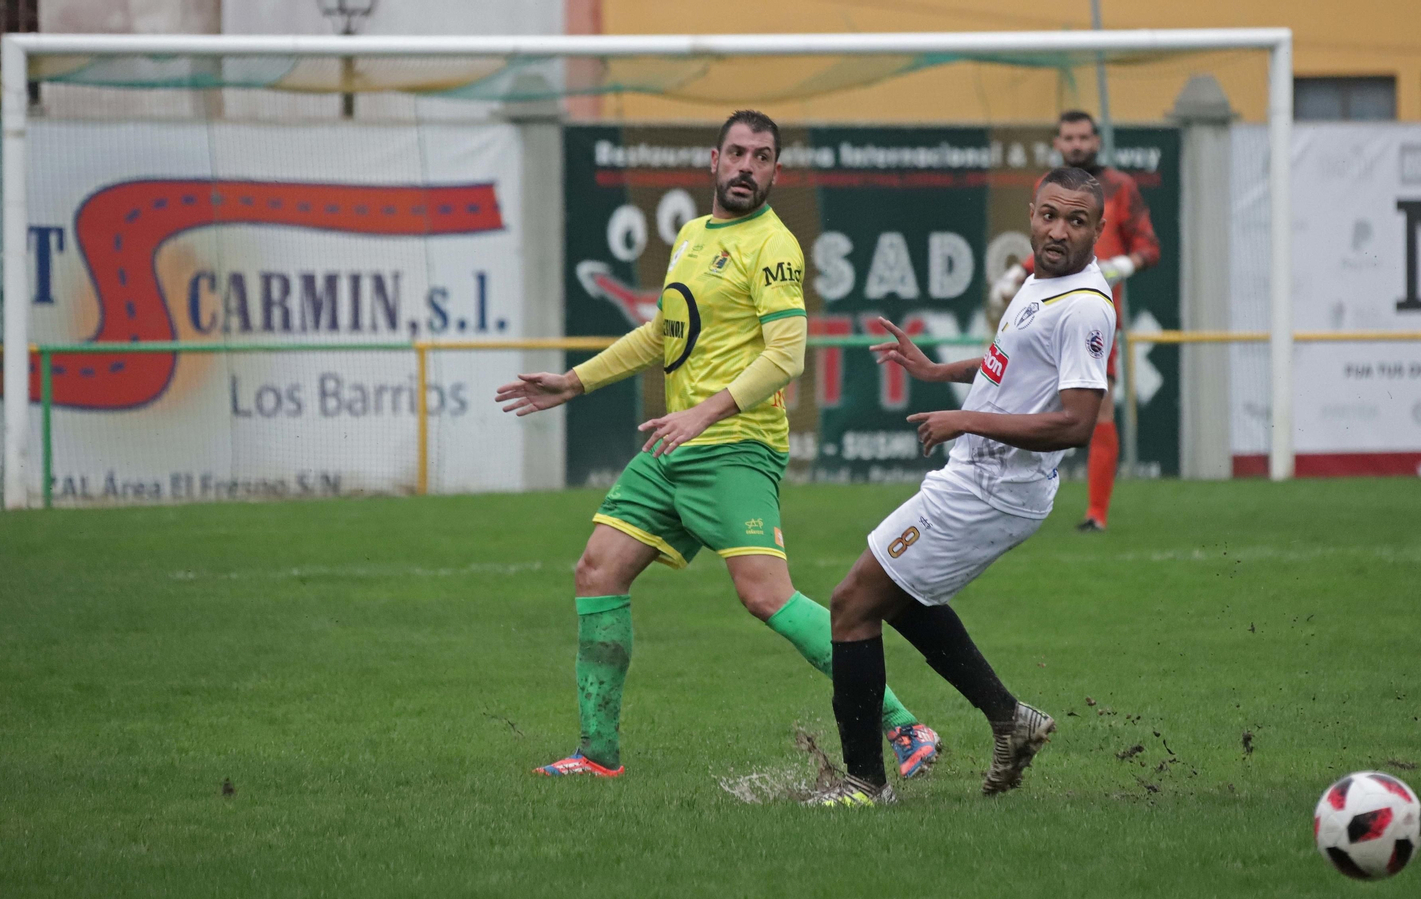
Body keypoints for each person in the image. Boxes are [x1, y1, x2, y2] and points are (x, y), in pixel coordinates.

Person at [497, 110, 940, 779]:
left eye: (762, 157)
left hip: (735, 444)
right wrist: (574, 381)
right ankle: (597, 755)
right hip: (676, 447)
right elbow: (660, 334)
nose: (747, 166)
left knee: (766, 595)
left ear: (775, 171)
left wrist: (704, 413)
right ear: (713, 159)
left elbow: (788, 356)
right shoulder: (693, 235)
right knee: (598, 569)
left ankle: (905, 725)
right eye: (737, 153)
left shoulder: (775, 246)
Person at [811, 167, 1114, 805]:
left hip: (994, 489)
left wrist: (965, 417)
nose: (1059, 231)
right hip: (978, 474)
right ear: (1031, 214)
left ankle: (864, 785)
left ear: (1098, 228)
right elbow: (1014, 358)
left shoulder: (1087, 306)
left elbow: (1077, 421)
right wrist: (936, 370)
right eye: (1049, 216)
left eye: (1076, 221)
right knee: (902, 593)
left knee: (852, 605)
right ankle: (1010, 719)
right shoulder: (1043, 279)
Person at [988, 110, 1160, 533]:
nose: (1077, 144)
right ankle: (1007, 497)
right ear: (1058, 143)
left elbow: (1150, 247)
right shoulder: (1048, 184)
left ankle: (1096, 514)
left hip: (1092, 314)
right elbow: (1051, 247)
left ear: (1096, 140)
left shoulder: (1120, 186)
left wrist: (1125, 263)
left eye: (1084, 136)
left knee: (1098, 409)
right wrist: (1016, 273)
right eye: (1069, 137)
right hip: (1044, 311)